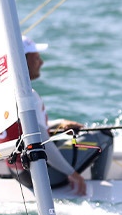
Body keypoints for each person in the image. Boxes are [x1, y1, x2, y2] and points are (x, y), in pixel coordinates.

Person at [8, 36, 112, 196]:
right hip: (43, 177)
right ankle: (98, 188)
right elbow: (44, 145)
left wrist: (58, 123)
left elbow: (24, 130)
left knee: (62, 136)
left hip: (18, 174)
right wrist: (73, 174)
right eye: (36, 58)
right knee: (105, 135)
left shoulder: (4, 95)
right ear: (22, 62)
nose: (41, 62)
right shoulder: (29, 97)